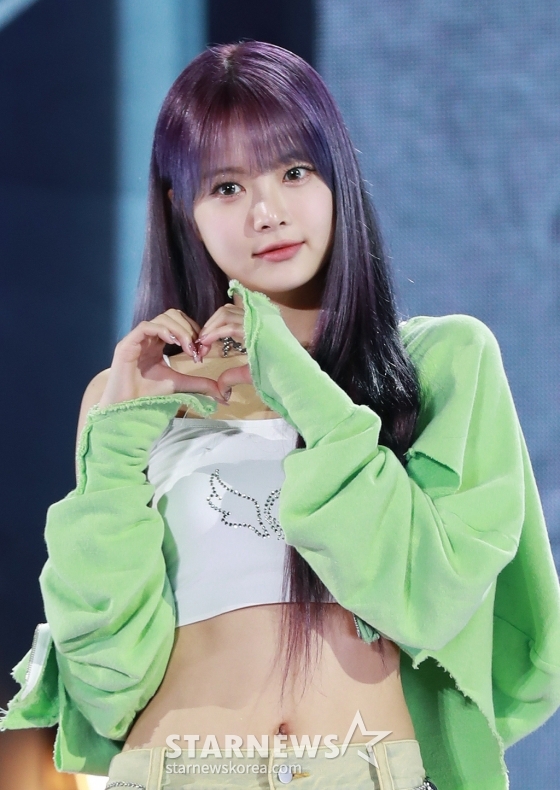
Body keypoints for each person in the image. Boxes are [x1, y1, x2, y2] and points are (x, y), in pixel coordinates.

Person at [2, 41, 560, 790]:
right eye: (227, 186)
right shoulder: (133, 395)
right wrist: (116, 447)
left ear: (338, 176)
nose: (267, 213)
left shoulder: (443, 361)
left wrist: (299, 382)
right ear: (182, 206)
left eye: (294, 171)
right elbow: (107, 683)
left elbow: (428, 594)